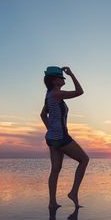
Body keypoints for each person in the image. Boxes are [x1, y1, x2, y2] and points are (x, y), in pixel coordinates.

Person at [41, 66, 89, 209]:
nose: (63, 79)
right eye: (61, 77)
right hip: (61, 137)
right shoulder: (56, 93)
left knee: (55, 169)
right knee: (84, 159)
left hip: (52, 138)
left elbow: (43, 115)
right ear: (55, 80)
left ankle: (52, 203)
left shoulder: (49, 95)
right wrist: (72, 73)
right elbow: (80, 91)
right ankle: (73, 192)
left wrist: (50, 129)